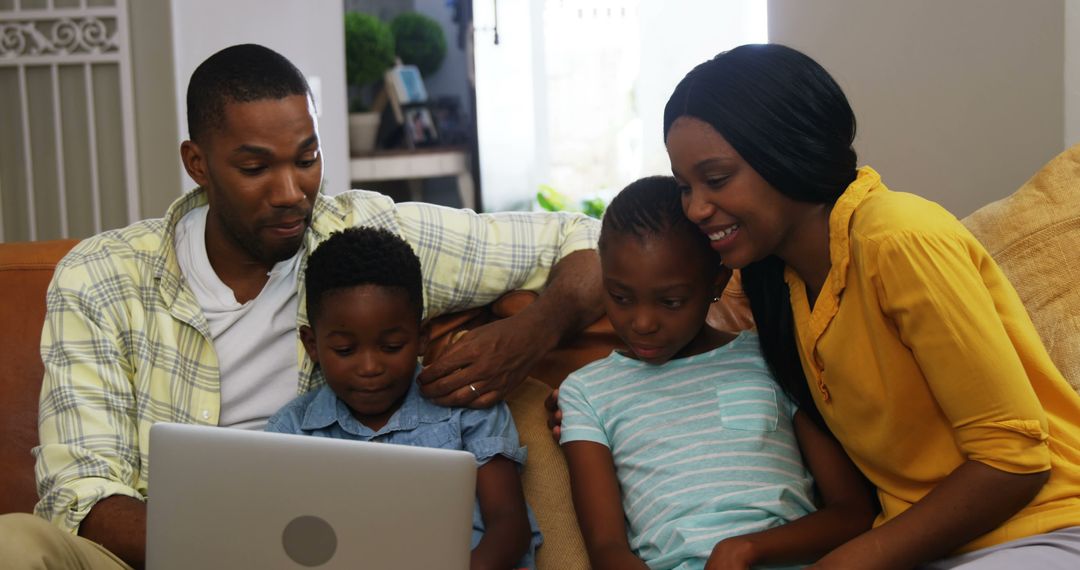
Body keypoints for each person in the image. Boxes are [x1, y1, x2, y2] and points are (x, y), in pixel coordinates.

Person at [0, 43, 601, 568]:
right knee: (15, 545)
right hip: (157, 556)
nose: (292, 193)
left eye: (307, 159)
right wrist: (231, 553)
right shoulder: (102, 277)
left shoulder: (368, 238)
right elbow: (81, 491)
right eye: (256, 167)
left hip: (331, 554)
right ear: (198, 164)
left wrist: (533, 332)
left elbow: (583, 236)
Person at [663, 44, 1080, 568]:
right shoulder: (775, 278)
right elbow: (677, 321)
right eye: (684, 187)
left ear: (787, 150)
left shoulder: (897, 236)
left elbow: (1014, 460)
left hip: (1044, 530)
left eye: (717, 179)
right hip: (930, 547)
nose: (697, 208)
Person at [557, 176, 876, 570]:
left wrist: (745, 548)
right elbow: (608, 550)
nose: (641, 322)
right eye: (620, 297)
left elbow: (853, 511)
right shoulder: (587, 392)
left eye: (670, 301)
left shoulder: (773, 356)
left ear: (717, 283)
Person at [265, 226, 541, 569]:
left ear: (422, 337)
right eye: (345, 350)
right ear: (312, 345)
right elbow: (274, 540)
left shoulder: (466, 410)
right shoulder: (290, 432)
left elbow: (509, 528)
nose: (369, 367)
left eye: (392, 346)